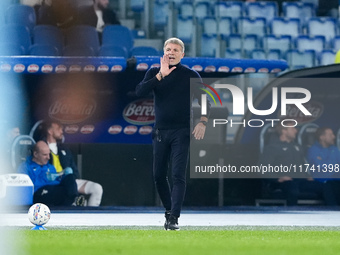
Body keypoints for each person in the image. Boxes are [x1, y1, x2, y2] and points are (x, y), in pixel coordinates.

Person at [135, 37, 210, 230]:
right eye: (168, 49)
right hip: (160, 132)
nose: (171, 52)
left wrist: (202, 122)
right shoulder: (154, 72)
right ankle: (169, 211)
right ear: (163, 52)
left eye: (175, 50)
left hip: (182, 131)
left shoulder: (190, 75)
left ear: (182, 54)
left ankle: (174, 218)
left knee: (178, 175)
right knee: (158, 175)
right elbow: (140, 92)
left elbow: (206, 101)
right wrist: (161, 75)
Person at [39, 120, 103, 207]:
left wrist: (72, 182)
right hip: (52, 183)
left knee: (97, 188)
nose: (62, 131)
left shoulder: (64, 148)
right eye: (58, 129)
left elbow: (74, 169)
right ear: (50, 131)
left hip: (69, 181)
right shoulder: (40, 147)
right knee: (69, 195)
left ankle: (90, 217)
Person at [258, 122, 323, 205]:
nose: (296, 131)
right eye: (293, 128)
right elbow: (262, 168)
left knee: (326, 187)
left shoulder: (297, 147)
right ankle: (292, 216)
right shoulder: (272, 147)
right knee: (292, 188)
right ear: (284, 131)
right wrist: (278, 178)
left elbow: (303, 164)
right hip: (283, 183)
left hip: (301, 181)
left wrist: (308, 175)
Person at [18, 141, 80, 206]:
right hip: (39, 192)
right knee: (60, 192)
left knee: (70, 177)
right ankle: (74, 201)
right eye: (45, 155)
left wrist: (63, 176)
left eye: (49, 154)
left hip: (55, 189)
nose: (48, 157)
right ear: (35, 154)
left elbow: (57, 181)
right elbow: (26, 187)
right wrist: (44, 178)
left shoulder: (50, 166)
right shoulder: (25, 167)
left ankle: (75, 199)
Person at [307, 127, 340, 205]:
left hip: (335, 181)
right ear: (322, 137)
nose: (334, 137)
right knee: (329, 187)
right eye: (330, 135)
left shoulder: (334, 149)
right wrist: (333, 163)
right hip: (321, 182)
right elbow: (321, 167)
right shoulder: (313, 150)